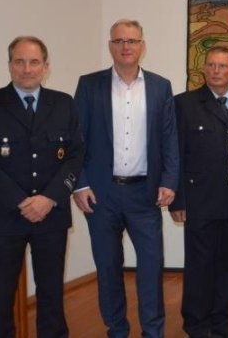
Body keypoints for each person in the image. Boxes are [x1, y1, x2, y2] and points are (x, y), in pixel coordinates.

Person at [0, 36, 84, 338]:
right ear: (9, 65)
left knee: (51, 293)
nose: (26, 69)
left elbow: (74, 157)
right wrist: (22, 201)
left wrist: (49, 198)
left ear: (46, 66)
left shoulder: (63, 103)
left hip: (51, 215)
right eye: (19, 61)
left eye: (34, 62)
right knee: (0, 295)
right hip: (4, 218)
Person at [72, 19, 179, 338]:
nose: (126, 47)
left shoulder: (161, 86)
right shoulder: (89, 85)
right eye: (119, 41)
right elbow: (77, 139)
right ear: (110, 46)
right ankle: (116, 330)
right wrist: (80, 183)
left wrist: (169, 181)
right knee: (107, 269)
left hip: (144, 195)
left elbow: (169, 138)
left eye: (132, 41)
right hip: (101, 196)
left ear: (142, 45)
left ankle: (153, 332)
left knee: (151, 267)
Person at [170, 46, 228, 338]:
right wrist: (178, 200)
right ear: (204, 69)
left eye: (223, 66)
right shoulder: (184, 103)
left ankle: (223, 322)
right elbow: (175, 154)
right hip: (200, 200)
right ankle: (196, 324)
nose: (217, 71)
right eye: (211, 65)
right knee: (199, 266)